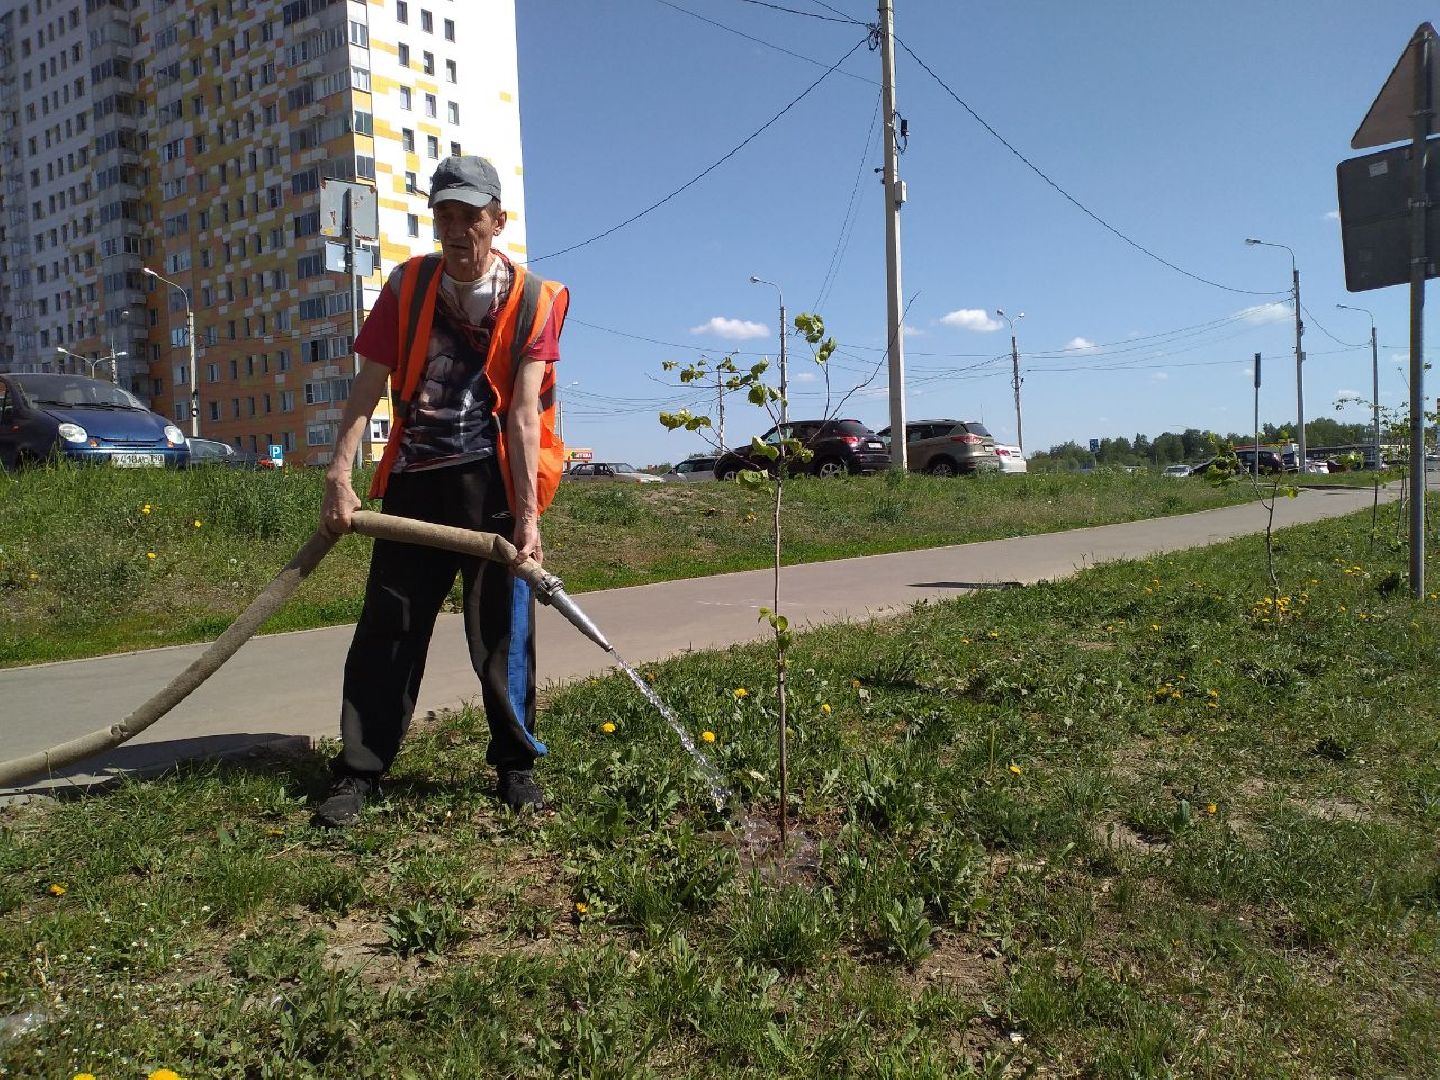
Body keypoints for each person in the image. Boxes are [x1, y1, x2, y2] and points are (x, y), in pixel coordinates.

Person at [313, 155, 569, 828]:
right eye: (445, 217)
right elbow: (367, 390)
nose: (457, 232)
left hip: (492, 487)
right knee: (389, 630)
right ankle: (360, 771)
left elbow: (522, 412)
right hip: (413, 484)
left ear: (497, 221)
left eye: (470, 218)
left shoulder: (535, 300)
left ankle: (516, 765)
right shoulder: (407, 285)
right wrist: (340, 476)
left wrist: (527, 519)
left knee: (504, 634)